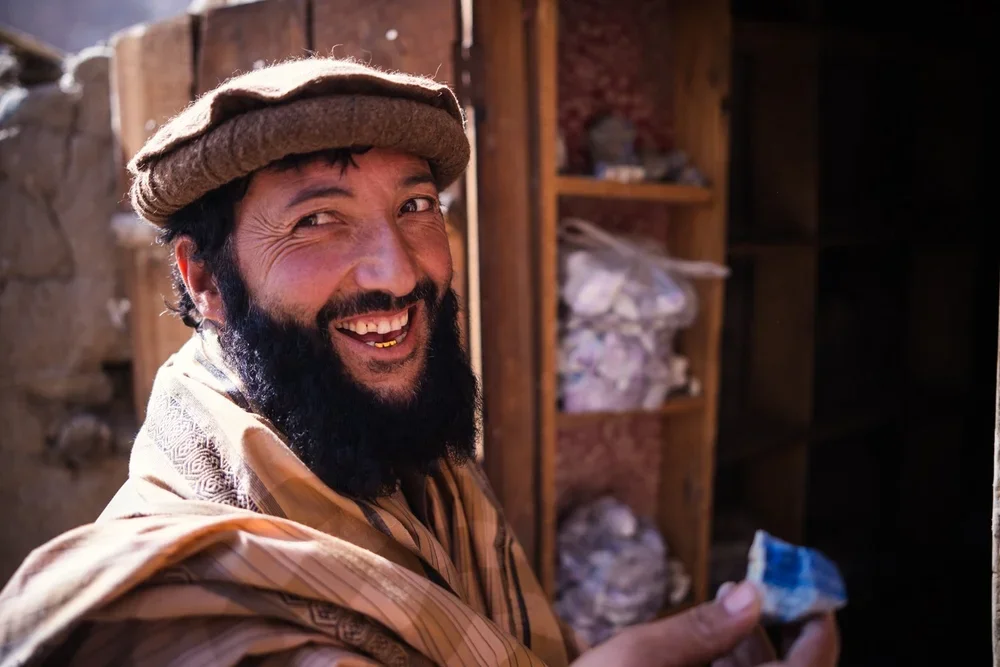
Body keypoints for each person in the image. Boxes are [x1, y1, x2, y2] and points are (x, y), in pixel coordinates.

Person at [0, 57, 839, 666]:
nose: (398, 271)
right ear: (203, 279)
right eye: (318, 220)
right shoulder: (172, 614)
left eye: (414, 206)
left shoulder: (403, 462)